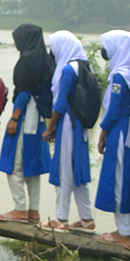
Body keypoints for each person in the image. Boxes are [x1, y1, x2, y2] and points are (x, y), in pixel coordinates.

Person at [0, 24, 53, 222]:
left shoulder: (27, 60)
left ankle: (20, 208)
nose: (15, 43)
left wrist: (14, 118)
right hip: (39, 120)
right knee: (33, 166)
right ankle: (34, 210)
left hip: (25, 117)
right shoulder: (45, 60)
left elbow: (24, 91)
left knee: (13, 164)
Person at [42, 31, 95, 231]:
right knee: (77, 171)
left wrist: (50, 127)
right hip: (80, 125)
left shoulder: (68, 70)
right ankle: (87, 219)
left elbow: (61, 103)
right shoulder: (84, 65)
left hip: (68, 124)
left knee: (64, 169)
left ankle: (61, 218)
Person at [96, 30, 130, 246]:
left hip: (120, 130)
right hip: (125, 127)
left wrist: (102, 133)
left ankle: (125, 232)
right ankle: (123, 229)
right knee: (120, 177)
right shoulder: (129, 72)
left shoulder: (120, 75)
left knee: (119, 179)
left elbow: (113, 111)